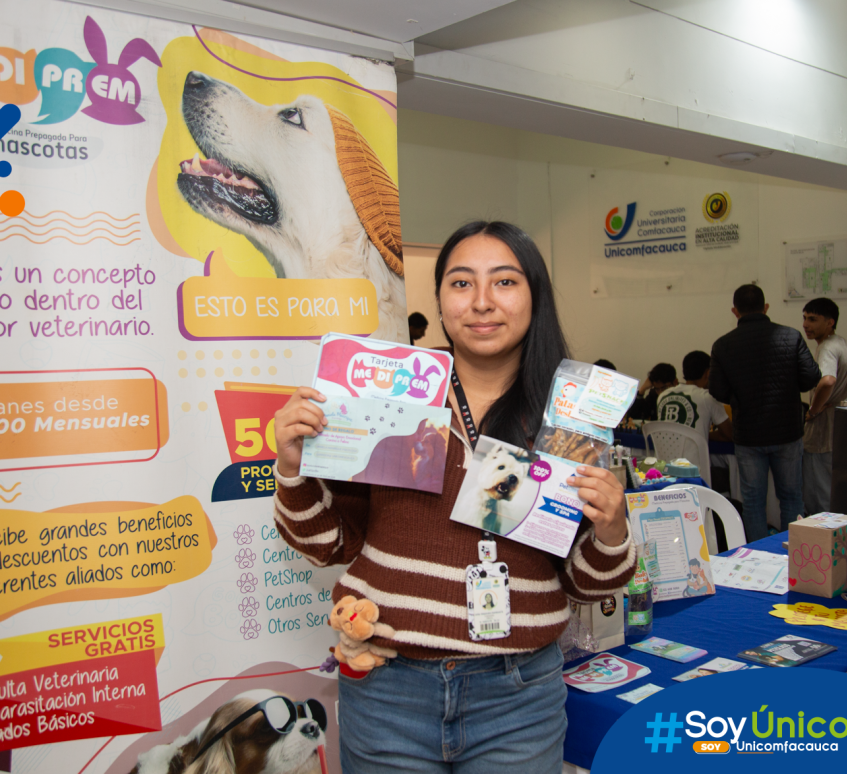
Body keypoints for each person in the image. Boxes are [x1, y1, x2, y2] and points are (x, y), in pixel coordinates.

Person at [272, 221, 635, 774]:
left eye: (505, 282)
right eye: (461, 284)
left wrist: (611, 528)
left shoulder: (570, 418)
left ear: (534, 296)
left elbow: (588, 583)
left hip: (518, 699)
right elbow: (329, 543)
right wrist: (294, 469)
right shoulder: (387, 394)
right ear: (439, 300)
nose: (483, 302)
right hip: (387, 688)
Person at [709, 284, 821, 541]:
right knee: (792, 497)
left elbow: (716, 389)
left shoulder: (723, 345)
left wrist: (740, 398)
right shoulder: (791, 336)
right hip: (788, 433)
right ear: (766, 307)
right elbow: (811, 377)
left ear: (735, 311)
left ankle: (760, 558)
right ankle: (795, 555)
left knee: (753, 501)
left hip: (748, 435)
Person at [801, 298, 847, 514]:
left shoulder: (827, 348)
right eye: (805, 318)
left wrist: (813, 411)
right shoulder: (842, 343)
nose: (806, 324)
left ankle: (824, 546)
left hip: (823, 432)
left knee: (820, 499)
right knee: (836, 495)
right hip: (840, 430)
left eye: (813, 319)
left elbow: (827, 380)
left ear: (830, 322)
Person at [656, 351, 733, 443]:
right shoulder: (708, 397)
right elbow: (731, 435)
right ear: (708, 373)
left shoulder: (663, 396)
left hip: (665, 457)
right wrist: (702, 434)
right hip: (695, 457)